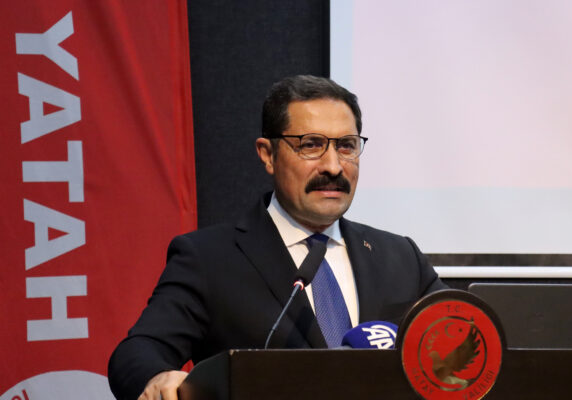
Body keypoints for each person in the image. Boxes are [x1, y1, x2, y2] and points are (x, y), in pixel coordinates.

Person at [107, 75, 447, 400]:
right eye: (311, 145)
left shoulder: (400, 256)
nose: (333, 166)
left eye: (346, 146)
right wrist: (156, 377)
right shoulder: (208, 259)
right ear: (268, 154)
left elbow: (460, 340)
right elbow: (137, 352)